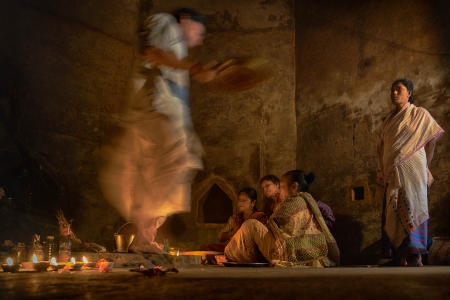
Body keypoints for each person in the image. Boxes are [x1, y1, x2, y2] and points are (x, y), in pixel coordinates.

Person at [99, 8, 216, 253]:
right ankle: (143, 234)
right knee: (178, 162)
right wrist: (194, 68)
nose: (201, 39)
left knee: (163, 176)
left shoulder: (179, 49)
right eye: (200, 31)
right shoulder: (165, 23)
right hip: (155, 109)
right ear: (186, 20)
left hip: (163, 114)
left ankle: (143, 239)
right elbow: (152, 52)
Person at [376, 78, 444, 266]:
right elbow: (382, 147)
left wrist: (425, 166)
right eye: (392, 89)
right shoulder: (388, 119)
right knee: (394, 207)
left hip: (413, 168)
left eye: (399, 89)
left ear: (410, 93)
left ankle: (415, 255)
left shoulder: (420, 114)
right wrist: (382, 169)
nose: (394, 93)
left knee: (413, 205)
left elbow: (431, 141)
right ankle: (398, 256)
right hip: (392, 170)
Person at [225, 170, 340, 267]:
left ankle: (231, 254)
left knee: (250, 225)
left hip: (288, 251)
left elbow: (276, 224)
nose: (280, 191)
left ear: (294, 186)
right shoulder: (307, 201)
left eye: (282, 187)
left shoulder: (294, 201)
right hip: (306, 251)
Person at [200, 187, 267, 252]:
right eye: (239, 200)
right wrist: (232, 232)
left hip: (249, 249)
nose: (240, 203)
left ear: (253, 203)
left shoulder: (259, 217)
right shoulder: (235, 218)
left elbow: (261, 239)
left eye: (244, 201)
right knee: (205, 247)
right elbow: (221, 236)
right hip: (233, 247)